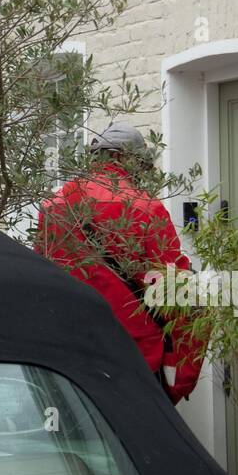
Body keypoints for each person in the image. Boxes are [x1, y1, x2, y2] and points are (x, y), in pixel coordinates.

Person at [35, 122, 203, 404]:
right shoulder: (145, 207)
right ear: (124, 159)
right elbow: (173, 291)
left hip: (70, 349)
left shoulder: (55, 204)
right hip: (134, 354)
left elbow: (42, 276)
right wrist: (182, 375)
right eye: (141, 166)